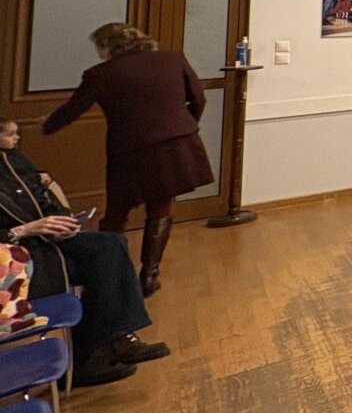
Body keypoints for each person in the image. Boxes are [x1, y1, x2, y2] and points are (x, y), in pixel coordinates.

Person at [39, 22, 214, 295]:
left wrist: (47, 125)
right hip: (176, 144)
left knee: (117, 212)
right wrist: (184, 126)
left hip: (130, 151)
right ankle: (149, 275)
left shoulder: (101, 74)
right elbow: (199, 99)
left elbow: (74, 108)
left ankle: (109, 272)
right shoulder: (172, 59)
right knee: (161, 207)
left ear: (108, 46)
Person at [0, 118, 167, 387]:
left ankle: (109, 342)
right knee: (101, 265)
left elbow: (43, 200)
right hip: (13, 257)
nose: (17, 139)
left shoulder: (14, 160)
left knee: (110, 245)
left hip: (44, 240)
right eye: (10, 134)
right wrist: (24, 229)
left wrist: (63, 221)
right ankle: (95, 351)